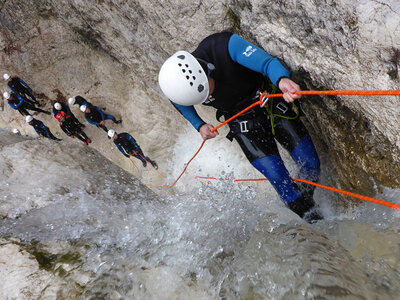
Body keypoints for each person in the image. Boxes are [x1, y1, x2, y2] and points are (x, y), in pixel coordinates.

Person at [158, 32, 322, 223]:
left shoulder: (224, 46)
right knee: (279, 179)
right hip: (243, 123)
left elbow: (267, 64)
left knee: (310, 165)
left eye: (205, 95)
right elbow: (178, 101)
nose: (206, 100)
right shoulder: (178, 85)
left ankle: (306, 201)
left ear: (208, 71)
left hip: (269, 102)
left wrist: (281, 80)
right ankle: (318, 224)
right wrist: (199, 124)